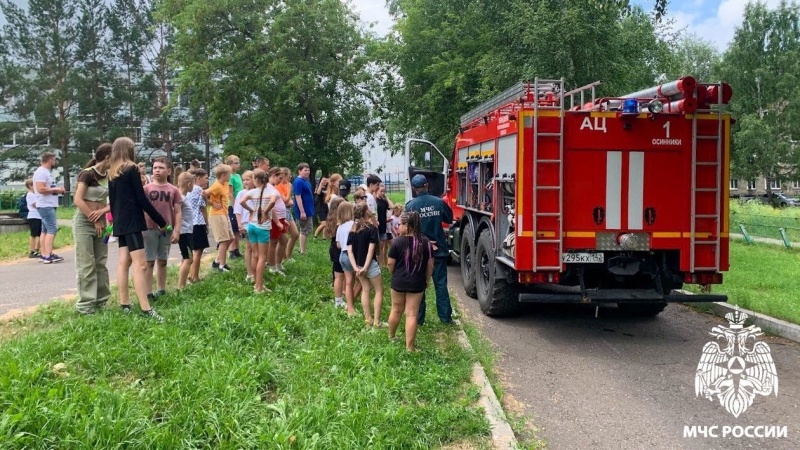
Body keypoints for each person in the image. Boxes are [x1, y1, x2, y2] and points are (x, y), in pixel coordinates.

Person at [107, 137, 167, 321]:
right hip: (132, 221)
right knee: (141, 265)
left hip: (120, 222)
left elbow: (113, 201)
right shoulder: (131, 168)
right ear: (129, 149)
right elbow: (141, 199)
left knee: (124, 263)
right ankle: (146, 309)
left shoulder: (112, 172)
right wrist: (160, 220)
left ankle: (124, 304)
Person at [405, 174, 454, 325]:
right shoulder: (439, 202)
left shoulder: (410, 206)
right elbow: (449, 218)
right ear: (427, 185)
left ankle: (419, 320)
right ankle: (445, 318)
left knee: (419, 285)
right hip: (438, 251)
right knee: (440, 285)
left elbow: (408, 229)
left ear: (414, 189)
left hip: (419, 252)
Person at [72, 143, 113, 315]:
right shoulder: (87, 174)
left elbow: (115, 200)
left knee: (100, 263)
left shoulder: (110, 176)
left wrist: (103, 212)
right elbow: (78, 200)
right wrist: (94, 219)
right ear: (107, 157)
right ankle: (85, 306)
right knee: (86, 263)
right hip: (84, 222)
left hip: (102, 223)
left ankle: (101, 301)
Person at [388, 211, 434, 351]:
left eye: (401, 224)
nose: (398, 227)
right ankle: (410, 348)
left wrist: (394, 274)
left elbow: (390, 263)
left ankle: (391, 336)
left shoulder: (396, 243)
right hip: (417, 283)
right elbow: (430, 264)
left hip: (398, 281)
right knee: (412, 313)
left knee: (396, 309)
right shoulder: (425, 242)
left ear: (408, 226)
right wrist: (427, 279)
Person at [143, 157, 182, 300]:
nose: (157, 170)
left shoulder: (173, 190)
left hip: (167, 230)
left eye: (160, 167)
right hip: (149, 228)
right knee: (149, 261)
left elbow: (177, 211)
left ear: (169, 171)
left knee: (163, 260)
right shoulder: (146, 189)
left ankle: (161, 289)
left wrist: (177, 230)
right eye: (154, 168)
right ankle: (148, 292)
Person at [240, 169, 278, 294]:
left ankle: (257, 283)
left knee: (255, 255)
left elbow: (241, 201)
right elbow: (273, 201)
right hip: (263, 227)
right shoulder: (271, 191)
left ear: (256, 180)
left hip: (252, 226)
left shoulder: (252, 191)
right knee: (262, 257)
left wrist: (251, 211)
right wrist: (266, 212)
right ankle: (259, 287)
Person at [347, 204, 384, 329]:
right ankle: (377, 322)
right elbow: (371, 250)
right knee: (379, 290)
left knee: (365, 289)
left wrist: (357, 268)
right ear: (365, 212)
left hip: (357, 265)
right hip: (370, 265)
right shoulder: (372, 228)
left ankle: (368, 319)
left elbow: (350, 251)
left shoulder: (353, 229)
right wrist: (366, 267)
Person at [32, 152, 65, 264]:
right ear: (49, 159)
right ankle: (48, 255)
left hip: (49, 203)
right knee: (52, 228)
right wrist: (56, 190)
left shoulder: (46, 172)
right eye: (54, 159)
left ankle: (44, 253)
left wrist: (55, 189)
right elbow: (41, 189)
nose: (55, 161)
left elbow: (47, 187)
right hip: (45, 204)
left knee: (45, 230)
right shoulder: (41, 172)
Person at [205, 164, 235, 272]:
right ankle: (222, 265)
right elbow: (203, 194)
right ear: (223, 175)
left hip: (224, 213)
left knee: (231, 238)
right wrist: (212, 204)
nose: (230, 176)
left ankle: (217, 260)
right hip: (217, 215)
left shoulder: (225, 183)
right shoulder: (216, 186)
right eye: (229, 174)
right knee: (223, 240)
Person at [186, 168, 209, 282]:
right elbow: (203, 208)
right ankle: (194, 276)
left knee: (191, 250)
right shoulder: (199, 190)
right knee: (198, 251)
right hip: (198, 221)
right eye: (205, 178)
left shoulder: (187, 189)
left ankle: (190, 274)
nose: (207, 181)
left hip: (188, 223)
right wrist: (207, 224)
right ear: (198, 178)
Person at [325, 197, 348, 311]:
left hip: (333, 248)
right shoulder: (341, 222)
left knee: (338, 276)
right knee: (341, 276)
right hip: (340, 249)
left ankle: (339, 298)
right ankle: (339, 299)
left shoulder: (330, 219)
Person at [234, 170, 255, 283]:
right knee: (249, 247)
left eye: (248, 179)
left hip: (257, 224)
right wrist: (239, 224)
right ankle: (250, 273)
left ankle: (255, 270)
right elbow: (237, 210)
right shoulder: (241, 194)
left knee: (256, 248)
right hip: (246, 224)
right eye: (244, 180)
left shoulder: (257, 192)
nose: (245, 182)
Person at [336, 202, 356, 314]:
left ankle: (349, 306)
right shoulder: (353, 224)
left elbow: (338, 245)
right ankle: (352, 304)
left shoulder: (340, 227)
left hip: (342, 255)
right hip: (351, 255)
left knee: (348, 282)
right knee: (356, 281)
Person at [176, 172, 195, 289]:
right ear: (189, 184)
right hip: (184, 232)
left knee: (186, 258)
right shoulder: (180, 198)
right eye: (193, 183)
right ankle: (181, 286)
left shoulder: (182, 197)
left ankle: (181, 282)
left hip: (187, 231)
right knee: (189, 259)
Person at [292, 163, 315, 255]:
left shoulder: (306, 181)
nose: (307, 172)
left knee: (307, 229)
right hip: (303, 210)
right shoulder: (298, 182)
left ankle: (303, 249)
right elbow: (298, 196)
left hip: (308, 208)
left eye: (308, 170)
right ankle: (302, 250)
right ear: (299, 171)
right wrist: (302, 211)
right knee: (304, 230)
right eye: (305, 170)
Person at [277, 167, 299, 261]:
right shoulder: (279, 186)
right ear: (284, 175)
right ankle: (282, 257)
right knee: (283, 237)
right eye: (289, 175)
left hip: (289, 210)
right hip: (283, 211)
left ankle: (288, 255)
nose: (290, 177)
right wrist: (290, 189)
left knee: (295, 234)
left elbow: (289, 200)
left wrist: (289, 200)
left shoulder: (287, 185)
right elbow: (285, 200)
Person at [225, 154, 244, 259]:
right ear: (229, 164)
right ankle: (231, 250)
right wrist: (234, 205)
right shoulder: (230, 177)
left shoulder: (237, 175)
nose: (238, 165)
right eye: (236, 163)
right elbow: (230, 194)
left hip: (239, 204)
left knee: (237, 229)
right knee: (233, 228)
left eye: (238, 163)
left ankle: (237, 249)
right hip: (232, 205)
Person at [375, 184, 394, 267]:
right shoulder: (375, 200)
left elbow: (392, 206)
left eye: (384, 191)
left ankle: (381, 264)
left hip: (383, 226)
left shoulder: (383, 201)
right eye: (381, 191)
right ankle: (379, 263)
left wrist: (386, 197)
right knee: (379, 247)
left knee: (382, 246)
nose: (383, 193)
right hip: (377, 225)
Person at [24, 178, 41, 258]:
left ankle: (37, 249)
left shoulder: (35, 194)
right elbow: (36, 205)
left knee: (42, 234)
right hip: (34, 216)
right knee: (33, 234)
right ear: (30, 186)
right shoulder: (30, 195)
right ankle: (32, 251)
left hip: (39, 216)